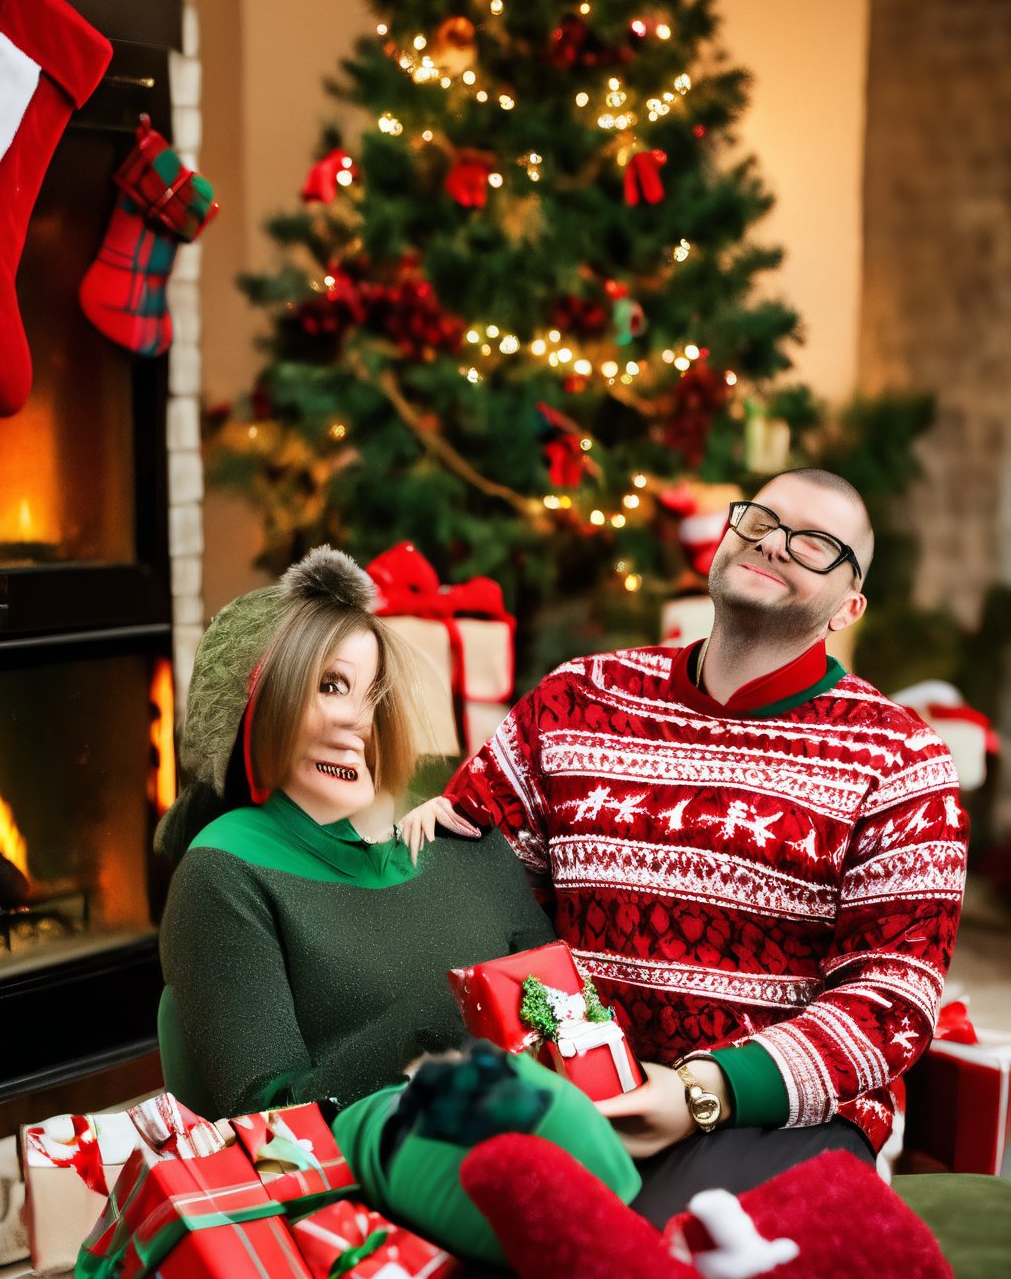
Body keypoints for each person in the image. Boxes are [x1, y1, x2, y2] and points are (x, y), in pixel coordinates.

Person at [403, 468, 969, 1224]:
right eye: (760, 518)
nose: (774, 542)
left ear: (850, 606)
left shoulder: (900, 760)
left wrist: (707, 1090)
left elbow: (893, 1002)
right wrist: (428, 838)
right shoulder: (578, 700)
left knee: (648, 1273)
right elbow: (481, 890)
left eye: (814, 543)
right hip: (572, 1088)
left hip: (774, 1116)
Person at [155, 545, 565, 1119]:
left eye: (371, 695)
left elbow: (572, 1018)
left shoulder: (462, 844)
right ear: (258, 702)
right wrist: (440, 1015)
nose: (359, 721)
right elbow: (272, 1126)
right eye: (329, 686)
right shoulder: (224, 871)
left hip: (569, 1133)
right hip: (381, 1183)